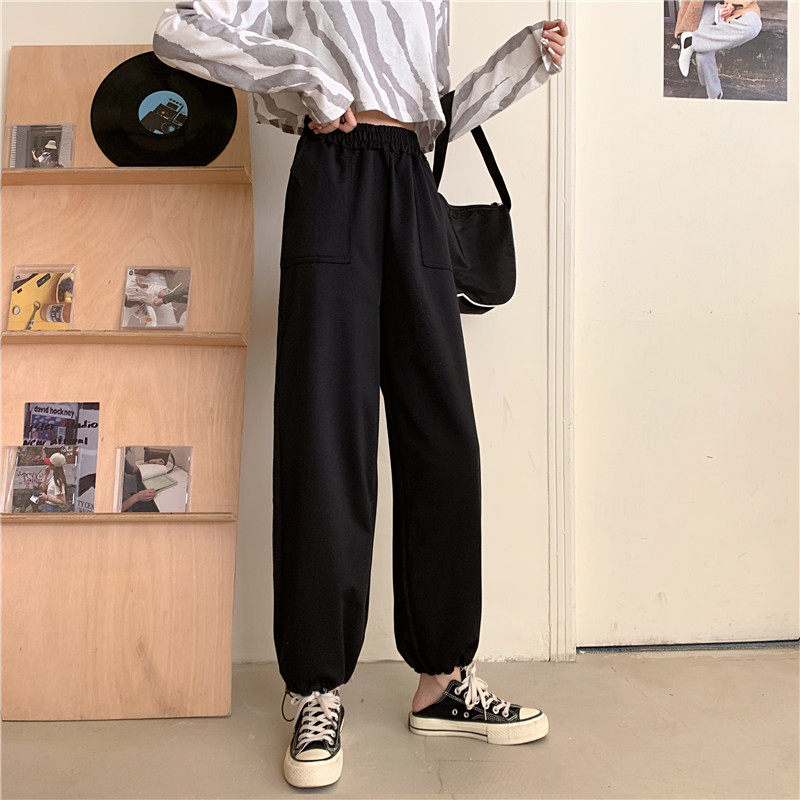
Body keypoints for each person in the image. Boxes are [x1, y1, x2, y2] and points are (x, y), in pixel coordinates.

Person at [153, 1, 568, 788]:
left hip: (410, 182)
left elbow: (433, 115)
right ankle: (316, 687)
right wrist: (305, 73)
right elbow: (178, 30)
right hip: (332, 175)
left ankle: (442, 679)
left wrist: (523, 64)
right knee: (325, 431)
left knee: (443, 438)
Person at [675, 0, 762, 99]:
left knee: (753, 25)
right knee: (703, 52)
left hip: (739, 5)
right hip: (707, 4)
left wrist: (732, 3)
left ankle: (691, 41)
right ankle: (714, 94)